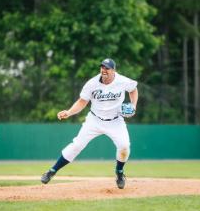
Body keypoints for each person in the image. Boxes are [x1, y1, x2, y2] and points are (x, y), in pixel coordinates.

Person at [41, 58, 138, 189]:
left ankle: (119, 173)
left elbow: (133, 89)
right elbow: (82, 102)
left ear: (113, 70)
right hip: (94, 120)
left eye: (107, 68)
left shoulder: (122, 81)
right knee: (77, 145)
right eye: (102, 67)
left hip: (115, 121)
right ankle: (52, 171)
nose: (104, 70)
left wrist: (133, 105)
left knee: (124, 146)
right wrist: (69, 112)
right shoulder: (92, 84)